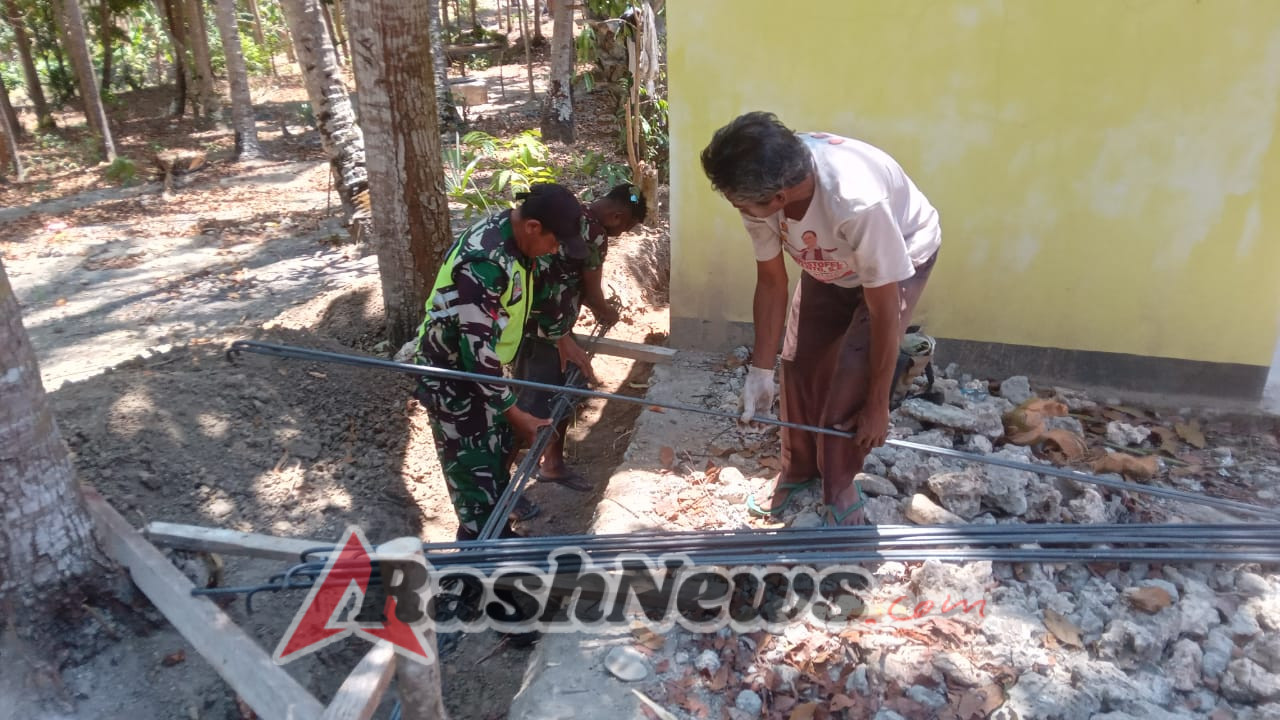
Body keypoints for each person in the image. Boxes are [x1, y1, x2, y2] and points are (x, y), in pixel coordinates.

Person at [700, 112, 942, 526]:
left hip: (896, 258)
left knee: (853, 377)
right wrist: (761, 371)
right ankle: (797, 468)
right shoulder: (761, 186)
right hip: (829, 262)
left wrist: (878, 404)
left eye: (740, 203)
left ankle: (840, 485)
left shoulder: (857, 204)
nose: (736, 208)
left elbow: (884, 312)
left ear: (779, 197)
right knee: (798, 363)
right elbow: (772, 282)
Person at [410, 183, 589, 541]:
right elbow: (474, 354)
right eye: (555, 241)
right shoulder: (485, 263)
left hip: (484, 371)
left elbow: (529, 293)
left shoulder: (518, 241)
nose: (555, 250)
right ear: (533, 226)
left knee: (495, 456)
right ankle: (478, 565)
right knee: (474, 475)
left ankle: (496, 526)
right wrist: (513, 410)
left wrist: (559, 335)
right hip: (454, 381)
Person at [513, 184, 648, 492]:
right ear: (617, 216)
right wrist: (608, 313)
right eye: (626, 227)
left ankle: (552, 464)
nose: (622, 234)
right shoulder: (596, 233)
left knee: (549, 391)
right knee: (540, 399)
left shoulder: (571, 217)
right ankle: (512, 488)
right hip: (547, 331)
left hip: (535, 325)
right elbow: (591, 290)